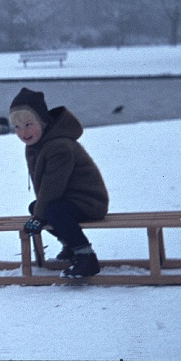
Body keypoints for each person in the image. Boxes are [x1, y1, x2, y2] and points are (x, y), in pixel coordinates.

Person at [9, 87, 109, 278]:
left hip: (89, 202)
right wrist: (37, 213)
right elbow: (47, 191)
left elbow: (52, 186)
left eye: (29, 124)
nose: (23, 132)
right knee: (37, 207)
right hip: (69, 200)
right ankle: (71, 245)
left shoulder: (59, 146)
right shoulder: (37, 145)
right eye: (17, 127)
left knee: (52, 211)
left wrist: (39, 217)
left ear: (43, 121)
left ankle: (85, 256)